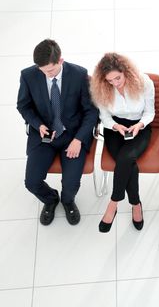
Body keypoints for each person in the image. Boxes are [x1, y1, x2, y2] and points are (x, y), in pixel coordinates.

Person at [16, 39, 98, 226]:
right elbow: (23, 106)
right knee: (31, 182)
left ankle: (67, 201)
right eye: (42, 70)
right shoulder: (28, 75)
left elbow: (91, 111)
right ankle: (51, 199)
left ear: (60, 60)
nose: (46, 74)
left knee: (70, 186)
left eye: (50, 70)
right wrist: (39, 125)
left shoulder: (79, 74)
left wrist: (78, 139)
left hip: (72, 136)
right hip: (44, 136)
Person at [90, 53, 155, 233]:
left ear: (126, 71)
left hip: (140, 126)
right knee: (128, 164)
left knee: (126, 158)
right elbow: (104, 116)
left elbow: (150, 113)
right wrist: (115, 126)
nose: (115, 83)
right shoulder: (102, 87)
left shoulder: (144, 82)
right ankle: (135, 203)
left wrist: (139, 125)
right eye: (110, 80)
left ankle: (113, 203)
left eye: (118, 78)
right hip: (114, 129)